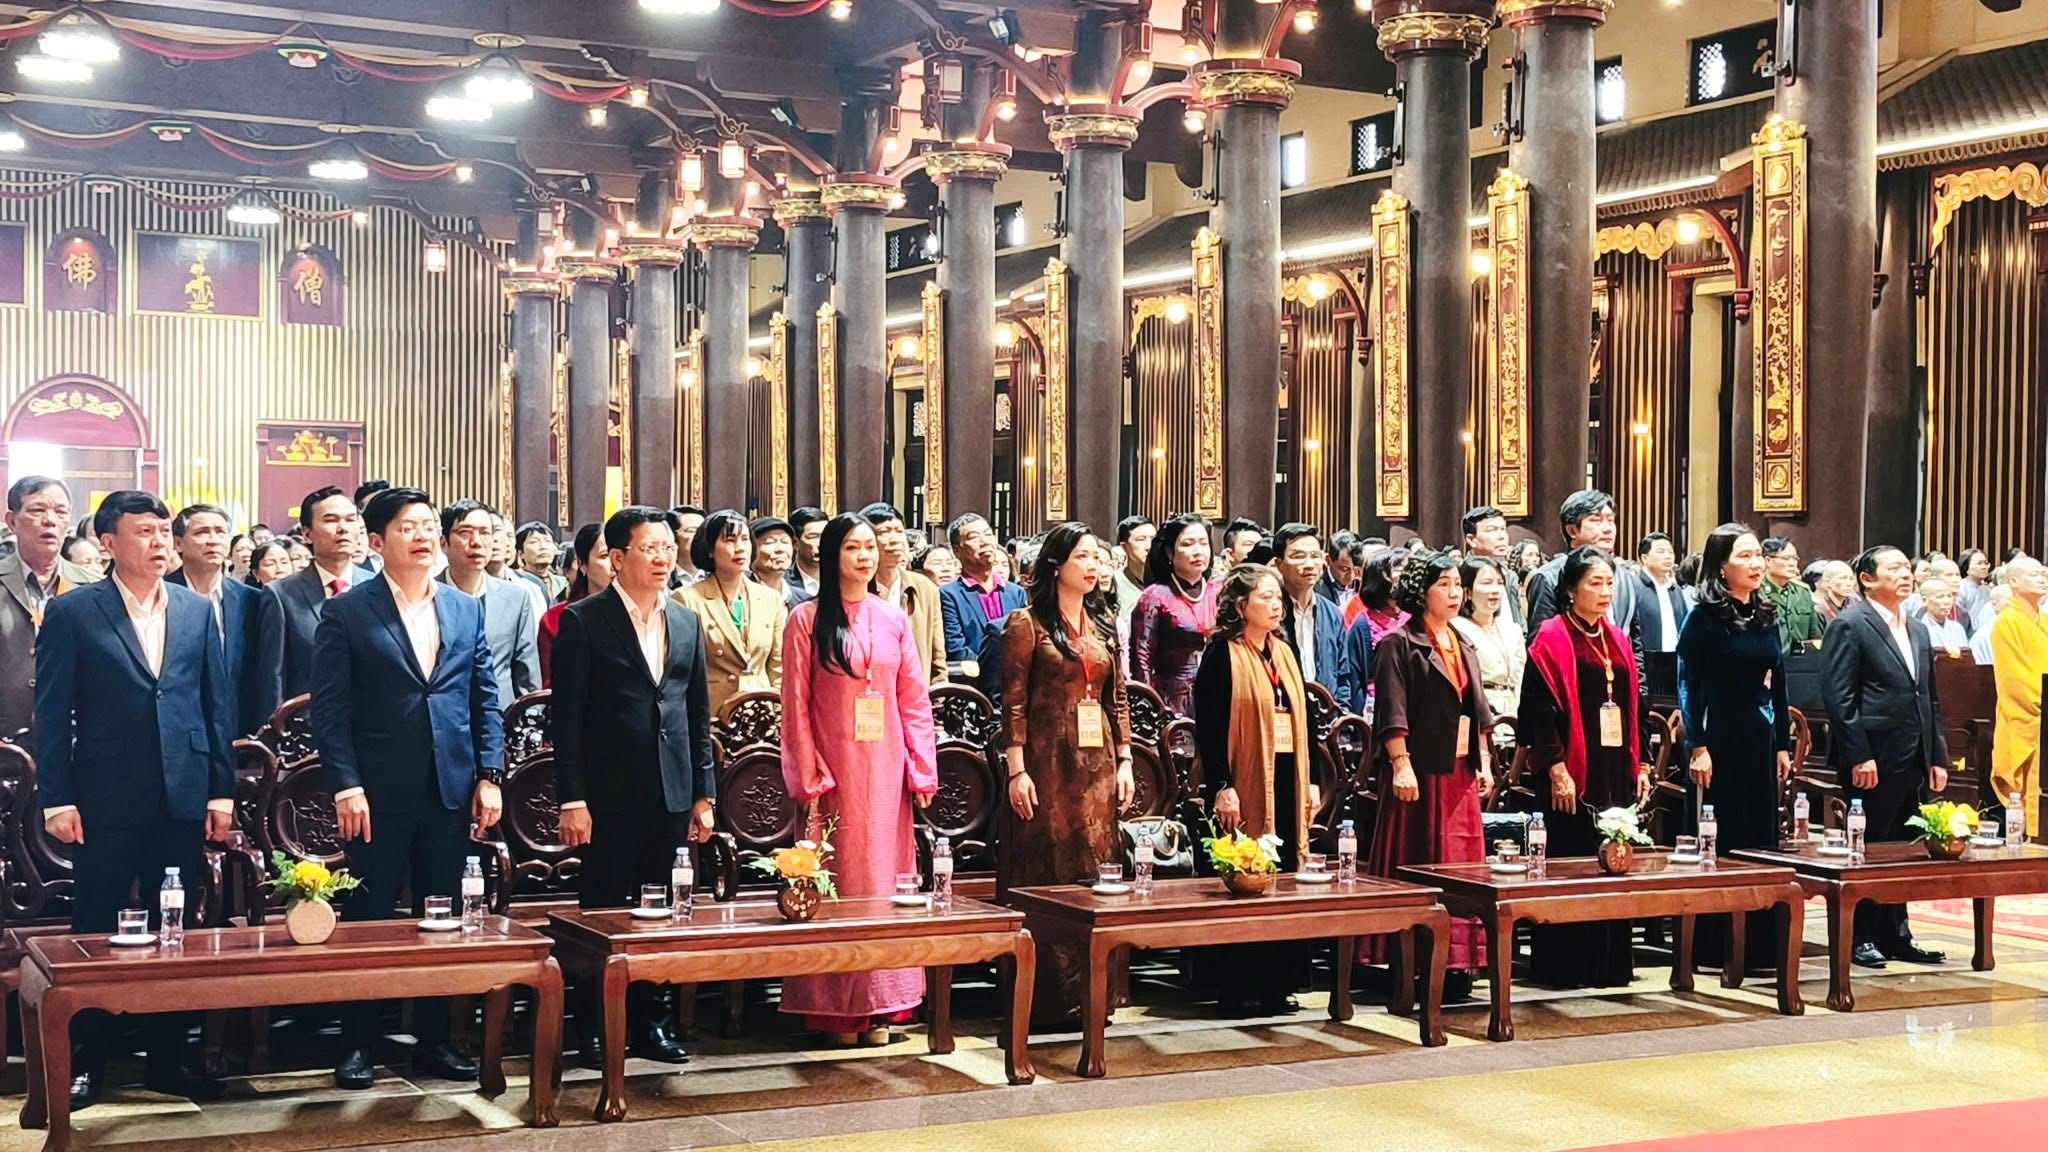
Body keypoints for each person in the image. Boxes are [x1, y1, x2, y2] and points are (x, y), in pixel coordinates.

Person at [34, 491, 232, 1108]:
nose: (158, 541)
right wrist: (56, 798)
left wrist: (221, 791)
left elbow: (216, 705)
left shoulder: (194, 609)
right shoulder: (74, 612)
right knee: (96, 926)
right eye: (143, 531)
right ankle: (87, 1062)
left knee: (175, 924)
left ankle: (168, 1060)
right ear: (108, 543)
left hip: (182, 792)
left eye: (163, 531)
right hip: (104, 797)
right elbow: (51, 712)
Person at [312, 488, 503, 1090]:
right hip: (376, 792)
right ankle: (358, 1042)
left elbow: (484, 698)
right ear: (376, 542)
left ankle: (435, 1039)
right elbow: (330, 711)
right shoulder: (348, 612)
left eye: (427, 526)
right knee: (369, 914)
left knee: (440, 913)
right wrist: (346, 785)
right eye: (405, 527)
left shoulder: (464, 609)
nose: (421, 536)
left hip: (450, 785)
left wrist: (490, 773)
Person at [553, 506, 714, 1065]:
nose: (663, 558)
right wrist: (572, 797)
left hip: (671, 789)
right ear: (618, 558)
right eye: (650, 548)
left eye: (668, 547)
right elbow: (566, 719)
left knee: (662, 907)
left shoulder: (686, 620)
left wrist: (703, 793)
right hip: (607, 794)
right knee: (603, 912)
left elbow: (696, 712)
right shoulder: (583, 621)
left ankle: (652, 1024)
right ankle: (594, 1028)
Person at [780, 513, 939, 1045]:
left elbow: (913, 699)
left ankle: (884, 1007)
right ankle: (836, 1010)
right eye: (853, 547)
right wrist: (808, 772)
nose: (865, 556)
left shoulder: (892, 617)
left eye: (870, 546)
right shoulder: (805, 619)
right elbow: (795, 705)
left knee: (886, 880)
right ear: (832, 555)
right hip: (834, 772)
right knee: (839, 880)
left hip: (886, 771)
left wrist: (922, 769)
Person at [998, 523, 1133, 1023]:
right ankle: (1049, 999)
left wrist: (1126, 760)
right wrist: (1017, 770)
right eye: (1083, 557)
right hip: (1048, 764)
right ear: (1057, 565)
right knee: (1050, 870)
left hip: (1098, 767)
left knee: (1098, 870)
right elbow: (1013, 703)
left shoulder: (1103, 624)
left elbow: (1119, 699)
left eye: (1097, 557)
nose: (1093, 566)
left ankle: (1098, 995)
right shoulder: (1026, 624)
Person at [1519, 547, 1649, 988]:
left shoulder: (1615, 638)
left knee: (1613, 856)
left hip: (1613, 766)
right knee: (1572, 858)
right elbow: (1537, 711)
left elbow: (1635, 704)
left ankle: (1609, 965)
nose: (1605, 592)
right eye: (1595, 583)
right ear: (1571, 589)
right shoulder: (1551, 638)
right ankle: (1565, 966)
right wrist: (1556, 766)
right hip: (1571, 767)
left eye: (1610, 583)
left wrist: (1642, 763)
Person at [1191, 563, 1317, 1013]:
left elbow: (1307, 719)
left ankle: (1278, 983)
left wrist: (1311, 780)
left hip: (1286, 774)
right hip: (1242, 778)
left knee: (1283, 869)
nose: (1275, 604)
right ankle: (1237, 985)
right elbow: (1209, 726)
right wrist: (1222, 785)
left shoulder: (1284, 652)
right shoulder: (1221, 654)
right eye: (1265, 597)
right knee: (1245, 873)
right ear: (1241, 606)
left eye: (1278, 597)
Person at [1367, 551, 1492, 1000]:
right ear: (1421, 592)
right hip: (1420, 772)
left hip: (1459, 771)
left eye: (1458, 584)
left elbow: (1478, 712)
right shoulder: (1399, 643)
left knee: (1462, 865)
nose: (1455, 593)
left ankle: (1457, 963)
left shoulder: (1463, 641)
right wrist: (1400, 763)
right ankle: (1411, 962)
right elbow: (1392, 711)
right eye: (1444, 585)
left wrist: (1484, 761)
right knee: (1420, 857)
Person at [1823, 545, 1952, 969]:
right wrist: (1858, 754)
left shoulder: (1916, 628)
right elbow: (1840, 698)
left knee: (1904, 848)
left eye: (1906, 568)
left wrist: (1937, 756)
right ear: (1867, 578)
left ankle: (1897, 935)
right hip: (1872, 757)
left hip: (1913, 754)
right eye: (1893, 568)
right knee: (1869, 845)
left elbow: (1929, 697)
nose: (1905, 574)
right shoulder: (1849, 624)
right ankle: (1860, 935)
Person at [1679, 523, 1795, 972]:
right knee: (1721, 839)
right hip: (1719, 737)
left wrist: (1782, 744)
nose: (1755, 564)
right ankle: (1714, 946)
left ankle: (1760, 947)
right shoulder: (1704, 617)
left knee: (1760, 839)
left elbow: (1778, 681)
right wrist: (1697, 745)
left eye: (1757, 555)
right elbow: (1688, 685)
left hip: (1760, 738)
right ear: (1721, 566)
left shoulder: (1766, 612)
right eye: (1744, 556)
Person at [169, 502, 284, 737]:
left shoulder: (252, 600)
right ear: (178, 543)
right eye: (202, 532)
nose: (213, 540)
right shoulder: (161, 595)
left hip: (238, 730)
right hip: (178, 727)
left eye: (220, 532)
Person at [1, 477, 101, 740]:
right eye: (37, 510)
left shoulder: (96, 586)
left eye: (60, 512)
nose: (50, 520)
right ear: (12, 521)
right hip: (8, 740)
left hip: (80, 742)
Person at [435, 500, 541, 710]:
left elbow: (527, 674)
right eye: (465, 533)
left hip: (502, 717)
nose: (476, 542)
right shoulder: (429, 595)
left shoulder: (516, 598)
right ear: (443, 543)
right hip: (445, 717)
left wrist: (529, 717)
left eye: (484, 533)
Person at [677, 510, 786, 714]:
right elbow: (682, 671)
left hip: (762, 714)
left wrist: (778, 710)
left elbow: (778, 667)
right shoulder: (687, 599)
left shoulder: (770, 598)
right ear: (710, 549)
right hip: (713, 714)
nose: (740, 547)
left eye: (745, 539)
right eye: (730, 540)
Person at [272, 486, 374, 701]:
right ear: (307, 534)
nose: (343, 528)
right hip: (307, 717)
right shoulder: (281, 595)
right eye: (331, 520)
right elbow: (274, 675)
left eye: (350, 520)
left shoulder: (377, 586)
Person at [1128, 513, 1218, 714]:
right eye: (1188, 544)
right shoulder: (1155, 596)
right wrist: (1149, 708)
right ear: (1170, 552)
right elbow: (1142, 661)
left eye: (1203, 543)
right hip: (1172, 702)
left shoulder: (1220, 591)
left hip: (1217, 694)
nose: (1198, 551)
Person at [1524, 490, 1640, 641]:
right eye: (1596, 520)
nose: (1608, 528)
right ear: (1572, 530)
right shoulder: (1548, 577)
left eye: (1611, 520)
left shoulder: (1625, 576)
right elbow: (1541, 643)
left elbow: (1634, 639)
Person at [1990, 556, 2048, 838]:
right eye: (2034, 574)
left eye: (2043, 574)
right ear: (2013, 581)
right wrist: (2043, 705)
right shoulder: (2006, 622)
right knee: (2029, 790)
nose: (2042, 578)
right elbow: (2015, 679)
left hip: (2044, 716)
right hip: (2027, 717)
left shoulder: (2045, 620)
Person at [861, 502, 947, 683]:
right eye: (884, 532)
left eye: (899, 531)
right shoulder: (857, 586)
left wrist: (939, 690)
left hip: (915, 689)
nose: (895, 539)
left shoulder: (925, 587)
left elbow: (937, 655)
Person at [938, 512, 1027, 682]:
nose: (984, 541)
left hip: (1016, 682)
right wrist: (993, 673)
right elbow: (956, 648)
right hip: (973, 685)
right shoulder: (948, 595)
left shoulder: (1016, 593)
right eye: (974, 537)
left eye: (988, 534)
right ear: (956, 551)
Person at [1272, 523, 1350, 705]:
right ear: (1279, 564)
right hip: (1284, 713)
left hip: (1326, 714)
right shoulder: (1271, 612)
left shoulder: (1332, 613)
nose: (1309, 564)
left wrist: (1341, 713)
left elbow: (1343, 675)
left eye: (1315, 556)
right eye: (1298, 556)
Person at [1453, 556, 1526, 721]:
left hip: (1514, 712)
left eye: (1500, 583)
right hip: (1477, 713)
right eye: (1486, 583)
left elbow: (1521, 677)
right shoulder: (1456, 629)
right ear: (1468, 591)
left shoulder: (1512, 629)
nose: (1495, 590)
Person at [540, 524, 611, 687]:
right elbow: (551, 683)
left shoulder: (642, 612)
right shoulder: (556, 619)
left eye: (621, 554)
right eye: (605, 555)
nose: (615, 563)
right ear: (582, 564)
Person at [1340, 549, 1408, 716]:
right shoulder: (1363, 625)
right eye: (1400, 570)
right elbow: (1355, 680)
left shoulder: (1413, 618)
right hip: (1377, 711)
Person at [1760, 537, 1824, 656]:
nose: (1792, 563)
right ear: (1768, 561)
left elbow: (1814, 635)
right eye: (1786, 558)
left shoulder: (1802, 592)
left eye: (1795, 558)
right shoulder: (1757, 592)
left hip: (1799, 663)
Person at [1462, 506, 1523, 626]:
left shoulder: (1509, 575)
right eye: (1492, 530)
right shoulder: (1460, 576)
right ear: (1471, 540)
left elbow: (1517, 619)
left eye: (1503, 529)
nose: (1502, 536)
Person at [1635, 532, 1689, 655]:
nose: (1668, 556)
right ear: (1645, 558)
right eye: (1661, 551)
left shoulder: (1675, 589)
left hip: (1675, 656)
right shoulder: (1635, 586)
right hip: (1646, 657)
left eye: (1670, 552)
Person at [1111, 515, 1155, 647]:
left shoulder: (1167, 582)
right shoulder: (1114, 582)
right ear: (1125, 547)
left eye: (1153, 539)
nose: (1149, 546)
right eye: (1141, 539)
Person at [1915, 576, 1970, 656]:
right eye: (1940, 597)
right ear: (1924, 600)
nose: (1947, 602)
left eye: (1949, 596)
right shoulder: (1917, 630)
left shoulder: (1958, 628)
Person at [514, 522, 564, 601]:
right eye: (534, 542)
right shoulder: (514, 581)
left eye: (547, 541)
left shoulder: (563, 583)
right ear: (521, 553)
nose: (543, 546)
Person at [786, 506, 827, 601]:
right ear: (795, 543)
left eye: (826, 535)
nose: (822, 542)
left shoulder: (842, 578)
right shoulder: (783, 583)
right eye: (814, 536)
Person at [1317, 530, 1363, 610]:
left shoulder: (1365, 585)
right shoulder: (1316, 590)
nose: (1351, 576)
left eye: (1356, 570)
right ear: (1328, 561)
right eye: (1344, 569)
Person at [669, 504, 707, 589]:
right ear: (673, 536)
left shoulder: (717, 575)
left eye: (703, 530)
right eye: (692, 530)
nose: (701, 536)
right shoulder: (663, 576)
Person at [1814, 560, 1858, 625]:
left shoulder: (1856, 605)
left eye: (1851, 579)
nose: (1849, 584)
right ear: (1827, 581)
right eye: (1843, 578)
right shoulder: (1819, 611)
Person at [1956, 548, 1993, 624]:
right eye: (1979, 563)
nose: (1984, 567)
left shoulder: (1988, 589)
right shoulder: (1961, 588)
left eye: (1986, 563)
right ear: (1966, 567)